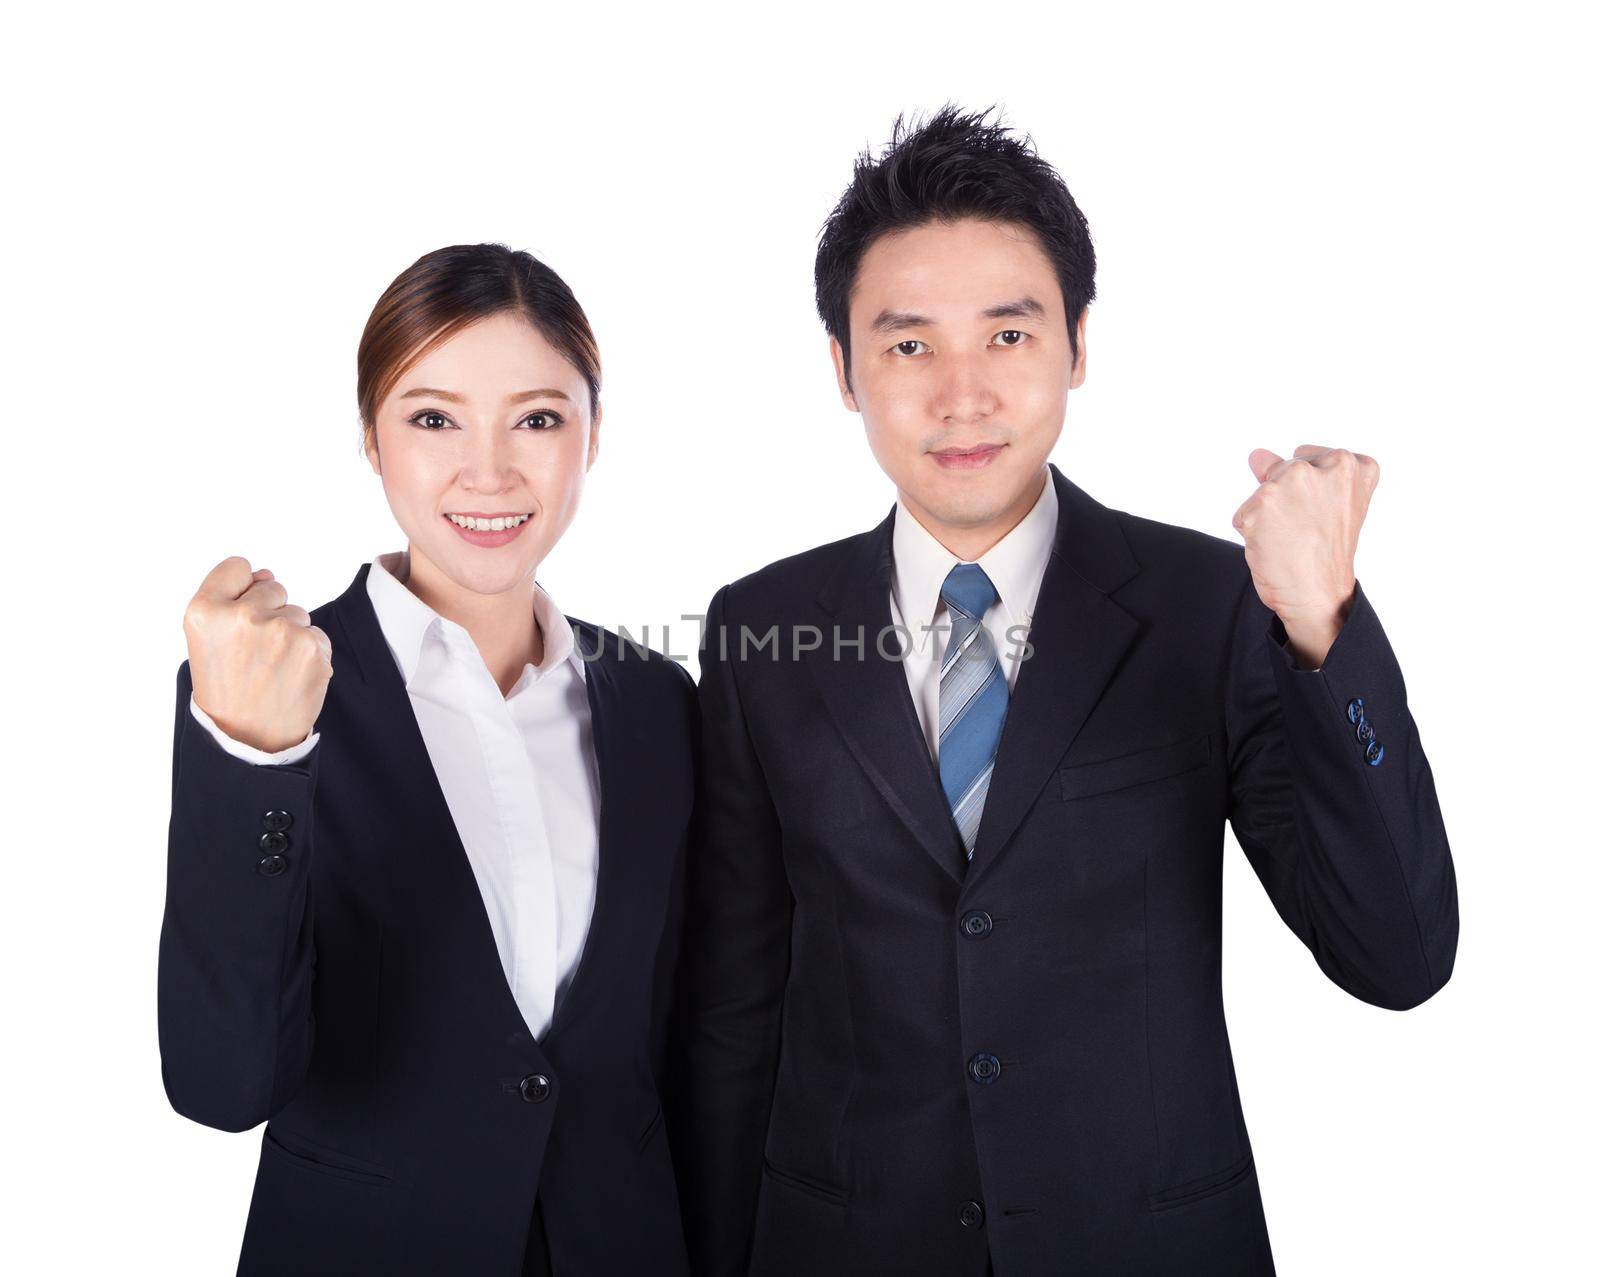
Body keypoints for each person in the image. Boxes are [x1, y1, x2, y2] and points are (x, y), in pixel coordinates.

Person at [667, 107, 1459, 1276]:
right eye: (906, 344)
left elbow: (1394, 955)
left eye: (1007, 334)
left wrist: (1320, 621)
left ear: (1077, 346)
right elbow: (735, 1005)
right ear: (842, 369)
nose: (962, 394)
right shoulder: (758, 627)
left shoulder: (1210, 605)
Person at [158, 244, 694, 1276]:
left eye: (537, 418)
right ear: (370, 437)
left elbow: (674, 1046)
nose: (488, 472)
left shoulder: (658, 704)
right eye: (433, 417)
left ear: (592, 435)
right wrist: (255, 761)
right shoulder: (269, 686)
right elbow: (221, 1084)